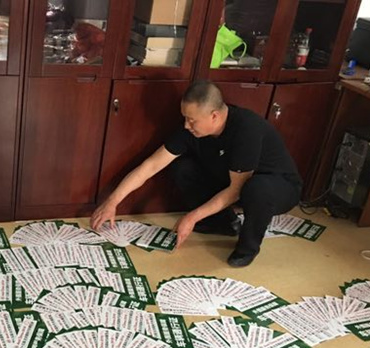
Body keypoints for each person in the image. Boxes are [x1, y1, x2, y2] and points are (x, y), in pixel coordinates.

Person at [91, 79, 302, 267]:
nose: (186, 125)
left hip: (277, 186)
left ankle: (248, 248)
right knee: (183, 167)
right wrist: (112, 201)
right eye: (185, 118)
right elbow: (151, 165)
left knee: (256, 189)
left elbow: (236, 190)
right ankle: (222, 223)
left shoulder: (246, 129)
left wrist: (191, 218)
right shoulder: (191, 130)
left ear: (214, 116)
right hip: (231, 181)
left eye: (191, 120)